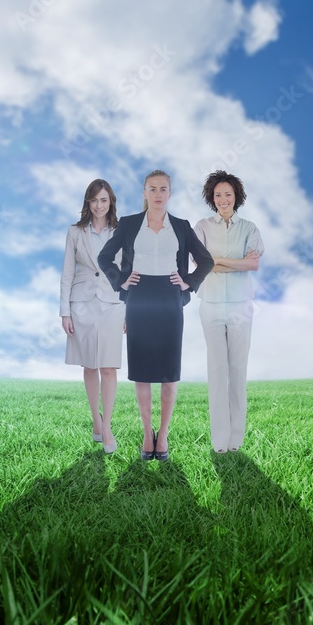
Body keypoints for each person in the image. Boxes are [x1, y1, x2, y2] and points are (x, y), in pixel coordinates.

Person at [98, 170, 214, 461]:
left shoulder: (182, 226)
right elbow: (104, 257)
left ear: (170, 193)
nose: (158, 194)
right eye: (152, 189)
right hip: (139, 297)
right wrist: (120, 282)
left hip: (169, 297)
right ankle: (146, 432)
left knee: (168, 372)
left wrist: (188, 282)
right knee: (142, 372)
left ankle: (163, 434)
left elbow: (206, 261)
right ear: (144, 192)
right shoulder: (128, 224)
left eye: (164, 189)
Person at [193, 170, 264, 453]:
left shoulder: (249, 228)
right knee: (217, 370)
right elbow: (200, 263)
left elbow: (253, 265)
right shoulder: (201, 227)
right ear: (212, 198)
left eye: (228, 194)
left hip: (240, 305)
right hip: (209, 304)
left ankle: (236, 439)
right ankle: (219, 441)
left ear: (237, 196)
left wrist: (217, 260)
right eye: (218, 194)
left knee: (237, 370)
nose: (223, 199)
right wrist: (235, 261)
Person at [60, 179, 124, 454]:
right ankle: (95, 419)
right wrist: (65, 311)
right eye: (94, 200)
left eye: (104, 200)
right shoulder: (75, 232)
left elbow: (129, 272)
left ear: (111, 202)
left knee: (109, 366)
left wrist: (129, 311)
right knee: (89, 366)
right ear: (88, 202)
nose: (99, 206)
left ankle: (106, 425)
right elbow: (67, 273)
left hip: (113, 302)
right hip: (82, 302)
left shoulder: (122, 232)